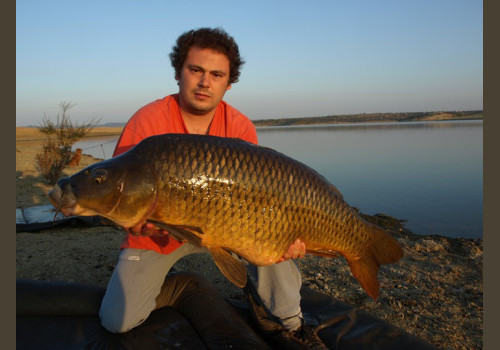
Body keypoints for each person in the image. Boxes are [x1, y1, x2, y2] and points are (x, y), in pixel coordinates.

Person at [99, 27, 327, 349]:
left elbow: (259, 201)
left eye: (216, 75)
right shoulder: (146, 122)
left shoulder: (239, 127)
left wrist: (286, 237)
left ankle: (289, 322)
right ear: (179, 73)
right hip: (161, 233)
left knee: (274, 246)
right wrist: (134, 220)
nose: (205, 82)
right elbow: (120, 190)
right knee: (116, 322)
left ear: (228, 83)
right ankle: (178, 287)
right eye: (196, 70)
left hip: (230, 225)